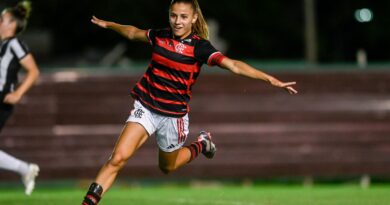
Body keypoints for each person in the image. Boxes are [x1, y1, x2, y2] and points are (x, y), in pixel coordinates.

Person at [82, 0, 297, 204]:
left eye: (183, 17)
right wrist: (110, 24)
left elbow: (233, 65)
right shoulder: (160, 36)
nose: (177, 21)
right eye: (173, 16)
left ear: (194, 18)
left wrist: (269, 79)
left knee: (167, 167)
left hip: (173, 117)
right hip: (146, 107)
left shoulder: (199, 48)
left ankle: (202, 144)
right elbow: (131, 32)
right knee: (117, 159)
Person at [0, 1, 40, 196]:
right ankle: (25, 169)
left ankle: (24, 169)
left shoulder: (14, 43)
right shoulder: (5, 45)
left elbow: (33, 71)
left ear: (12, 25)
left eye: (2, 20)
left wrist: (17, 94)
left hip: (2, 101)